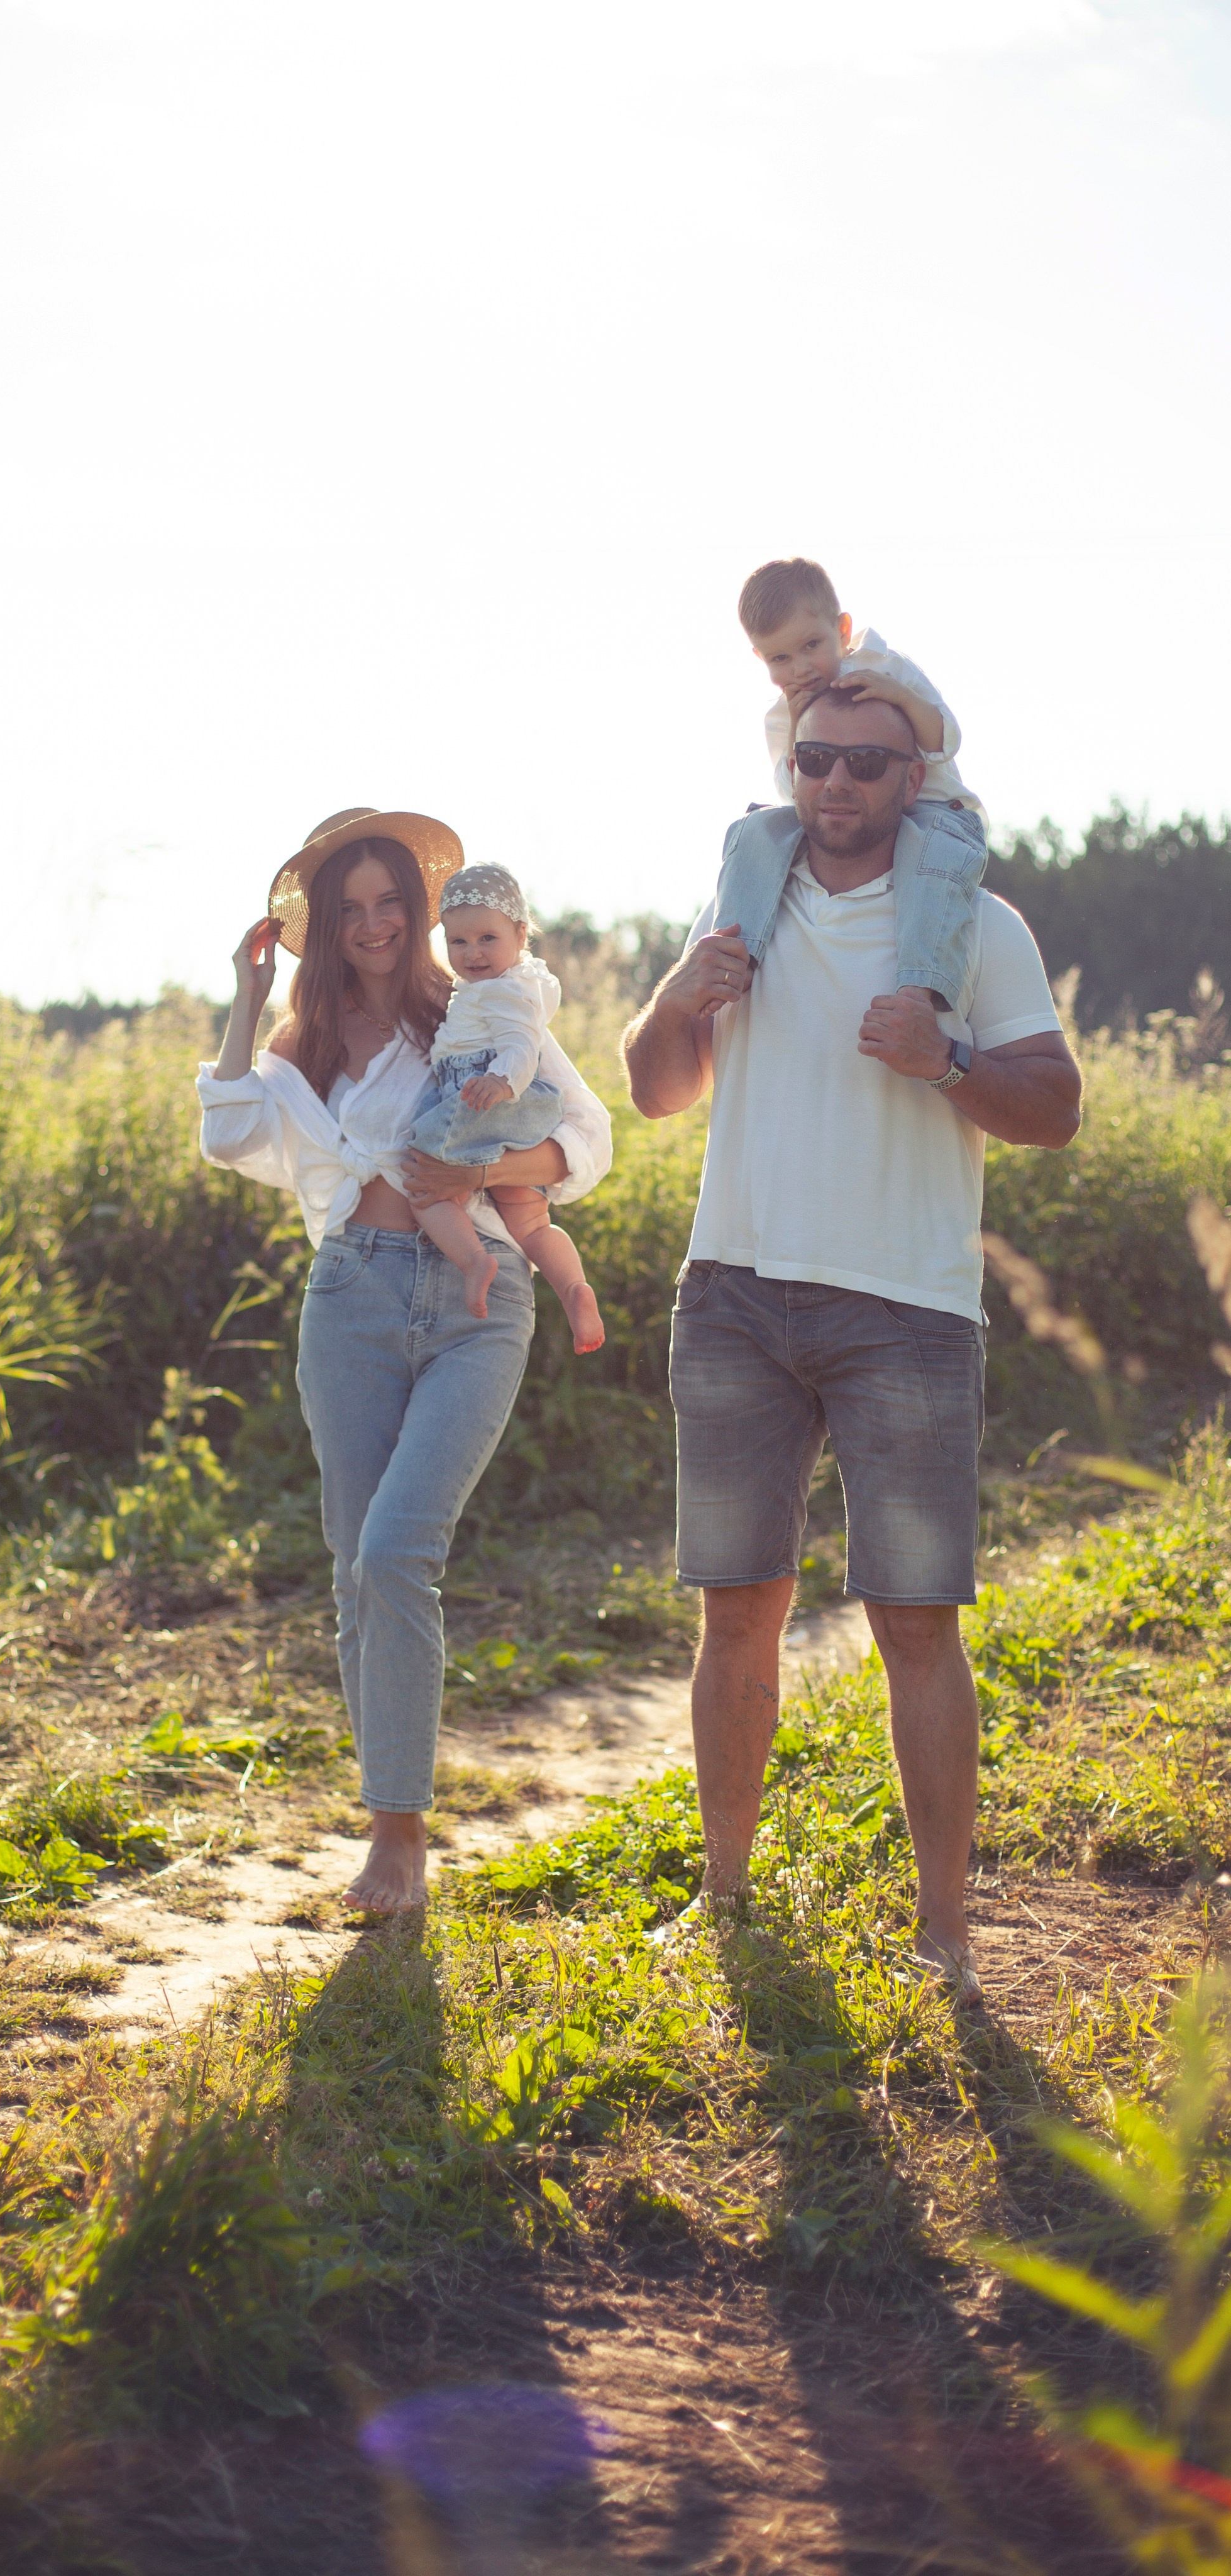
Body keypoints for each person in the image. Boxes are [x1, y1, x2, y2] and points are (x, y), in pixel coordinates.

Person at [621, 687, 1081, 2001]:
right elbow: (658, 1090)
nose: (833, 781)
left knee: (917, 1623)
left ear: (915, 772)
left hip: (907, 1310)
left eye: (864, 762)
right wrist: (677, 990)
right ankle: (723, 1897)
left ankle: (945, 1927)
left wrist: (942, 1059)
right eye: (813, 757)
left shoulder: (976, 926)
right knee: (736, 1611)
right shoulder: (741, 906)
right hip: (735, 1291)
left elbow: (1053, 1107)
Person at [197, 808, 613, 1913]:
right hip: (351, 1299)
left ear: (423, 915)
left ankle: (403, 1833)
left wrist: (478, 1174)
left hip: (479, 1299)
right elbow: (226, 1129)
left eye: (394, 903)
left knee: (395, 1550)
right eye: (353, 908)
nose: (377, 924)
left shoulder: (480, 1009)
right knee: (353, 1563)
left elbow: (585, 1138)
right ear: (325, 926)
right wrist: (245, 997)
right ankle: (391, 1831)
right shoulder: (304, 1050)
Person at [714, 556, 986, 1016]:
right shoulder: (784, 714)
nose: (800, 668)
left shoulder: (888, 667)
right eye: (781, 658)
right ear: (760, 658)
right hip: (852, 820)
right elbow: (793, 792)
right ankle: (736, 958)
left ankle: (922, 986)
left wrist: (900, 698)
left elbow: (947, 742)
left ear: (842, 630)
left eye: (811, 645)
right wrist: (802, 725)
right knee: (758, 829)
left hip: (937, 816)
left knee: (932, 863)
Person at [407, 861, 605, 1353]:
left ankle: (474, 1261)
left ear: (521, 935)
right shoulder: (499, 986)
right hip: (508, 1114)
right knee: (534, 1225)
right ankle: (575, 1289)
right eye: (458, 942)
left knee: (425, 1188)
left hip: (484, 1099)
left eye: (487, 939)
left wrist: (501, 1080)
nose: (472, 954)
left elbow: (521, 1045)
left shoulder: (506, 989)